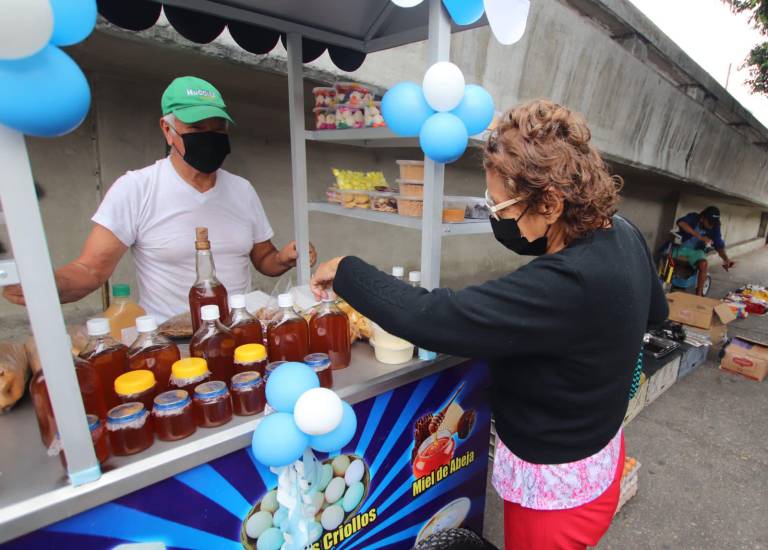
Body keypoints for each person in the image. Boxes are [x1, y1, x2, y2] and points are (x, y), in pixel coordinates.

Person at [311, 100, 668, 550]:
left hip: (555, 497)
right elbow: (656, 311)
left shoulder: (568, 281)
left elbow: (432, 318)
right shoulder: (622, 231)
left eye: (501, 206)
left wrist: (346, 269)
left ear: (552, 202)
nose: (496, 216)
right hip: (599, 460)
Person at [3, 76, 315, 321]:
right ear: (168, 130)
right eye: (197, 128)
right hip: (173, 342)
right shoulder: (137, 189)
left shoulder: (242, 190)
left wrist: (284, 258)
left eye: (218, 130)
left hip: (243, 332)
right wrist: (50, 285)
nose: (210, 138)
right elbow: (91, 270)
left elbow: (263, 259)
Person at [674, 206, 734, 295]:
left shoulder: (715, 228)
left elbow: (719, 245)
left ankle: (698, 294)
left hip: (696, 252)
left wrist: (726, 259)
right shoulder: (694, 217)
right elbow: (681, 223)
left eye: (714, 223)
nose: (711, 225)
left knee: (703, 263)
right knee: (666, 255)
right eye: (709, 222)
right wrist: (700, 237)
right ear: (702, 218)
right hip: (683, 248)